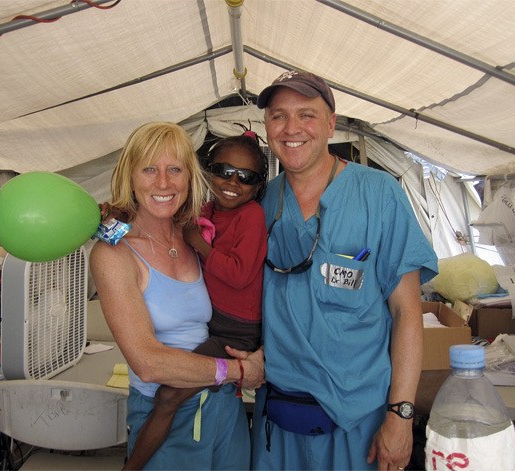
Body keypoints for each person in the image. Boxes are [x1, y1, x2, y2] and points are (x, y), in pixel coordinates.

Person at [251, 70, 439, 470]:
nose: (292, 128)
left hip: (359, 423)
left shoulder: (379, 194)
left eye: (307, 114)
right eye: (278, 116)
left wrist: (401, 415)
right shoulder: (262, 204)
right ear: (266, 126)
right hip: (279, 422)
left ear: (332, 123)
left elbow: (407, 313)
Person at [89, 122, 265, 470]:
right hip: (170, 410)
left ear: (190, 177)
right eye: (149, 169)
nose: (164, 183)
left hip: (222, 406)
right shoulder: (114, 254)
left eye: (175, 169)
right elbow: (149, 363)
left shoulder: (192, 235)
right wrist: (240, 371)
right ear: (130, 175)